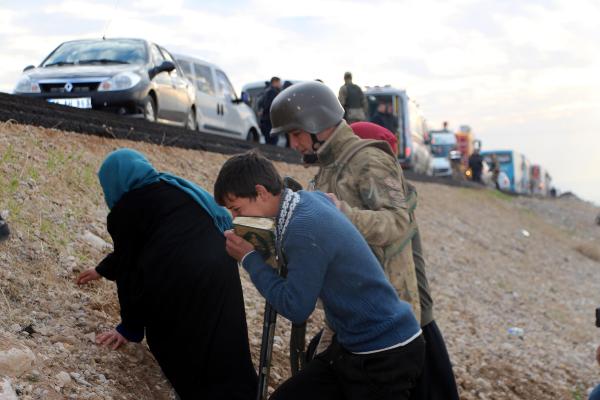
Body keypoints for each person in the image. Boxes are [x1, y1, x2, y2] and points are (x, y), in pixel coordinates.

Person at [269, 81, 460, 400]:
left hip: (383, 322)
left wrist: (342, 215)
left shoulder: (368, 160)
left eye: (296, 133)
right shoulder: (328, 168)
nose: (293, 143)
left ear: (317, 123)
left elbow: (399, 221)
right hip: (350, 316)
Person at [214, 151, 424, 400]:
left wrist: (250, 259)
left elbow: (296, 307)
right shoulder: (305, 201)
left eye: (237, 209)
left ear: (260, 192)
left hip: (384, 353)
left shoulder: (303, 230)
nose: (235, 218)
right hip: (356, 344)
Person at [76, 148, 257, 400]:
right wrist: (101, 270)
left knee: (179, 344)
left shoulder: (126, 210)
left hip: (183, 279)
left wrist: (129, 329)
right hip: (220, 266)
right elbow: (137, 249)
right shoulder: (172, 187)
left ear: (114, 182)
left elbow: (130, 272)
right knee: (224, 335)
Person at [258, 77, 282, 145]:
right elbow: (271, 105)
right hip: (270, 120)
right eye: (279, 82)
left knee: (268, 142)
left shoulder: (266, 91)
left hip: (265, 120)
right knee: (272, 142)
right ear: (275, 82)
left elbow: (261, 103)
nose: (280, 84)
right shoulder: (272, 92)